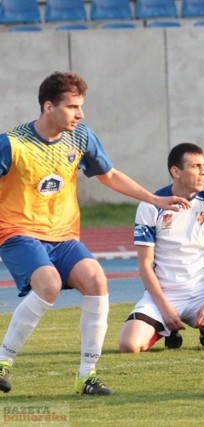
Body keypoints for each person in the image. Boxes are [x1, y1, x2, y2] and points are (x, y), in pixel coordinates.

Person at [0, 72, 190, 395]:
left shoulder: (81, 137)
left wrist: (156, 199)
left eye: (81, 106)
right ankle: (3, 361)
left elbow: (110, 175)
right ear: (49, 107)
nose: (80, 114)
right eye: (73, 107)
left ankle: (86, 377)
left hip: (64, 238)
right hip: (19, 233)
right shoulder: (12, 144)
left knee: (97, 280)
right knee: (49, 284)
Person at [118, 143, 204, 353]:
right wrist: (164, 307)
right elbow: (145, 264)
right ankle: (166, 329)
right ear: (176, 172)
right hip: (164, 295)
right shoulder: (150, 207)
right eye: (196, 166)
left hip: (203, 293)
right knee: (129, 345)